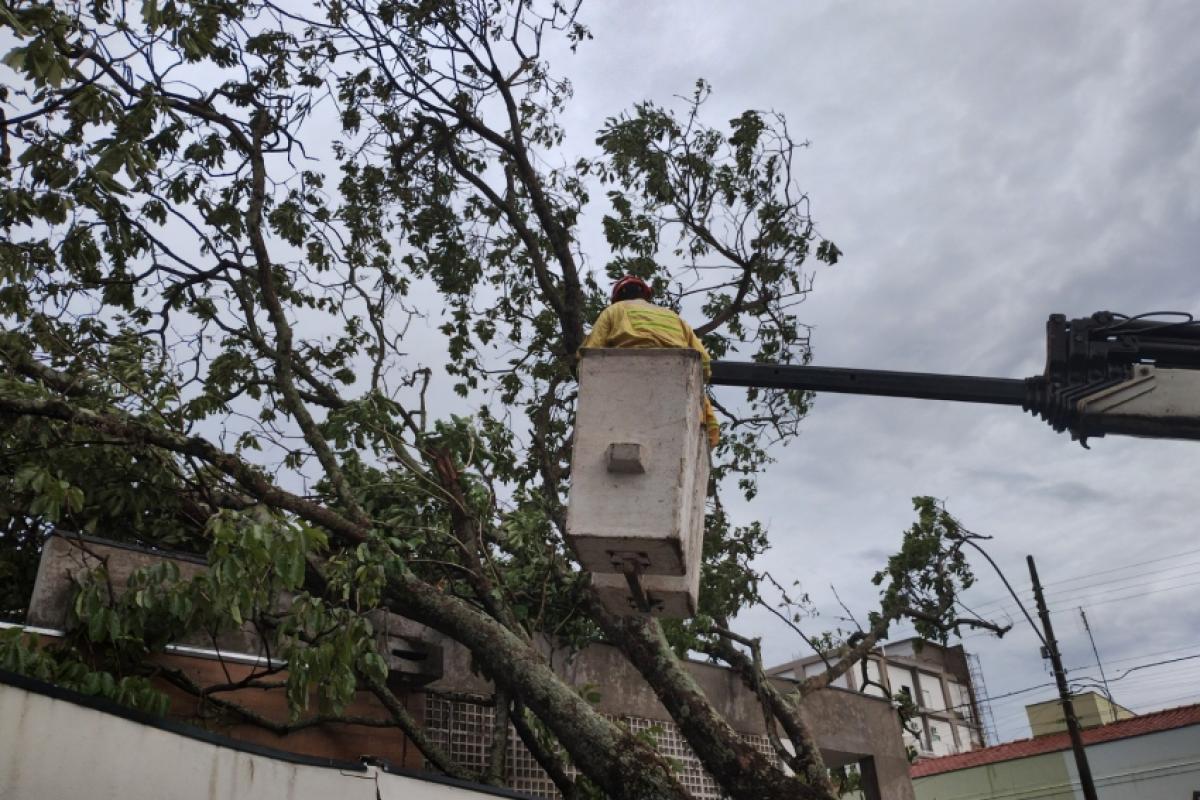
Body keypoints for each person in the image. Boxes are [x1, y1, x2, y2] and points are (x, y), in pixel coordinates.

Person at [580, 275, 720, 447]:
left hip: (625, 380)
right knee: (702, 405)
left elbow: (590, 353)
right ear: (646, 296)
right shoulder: (673, 317)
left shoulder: (614, 311)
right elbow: (704, 362)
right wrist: (701, 379)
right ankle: (709, 439)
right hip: (678, 378)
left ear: (617, 298)